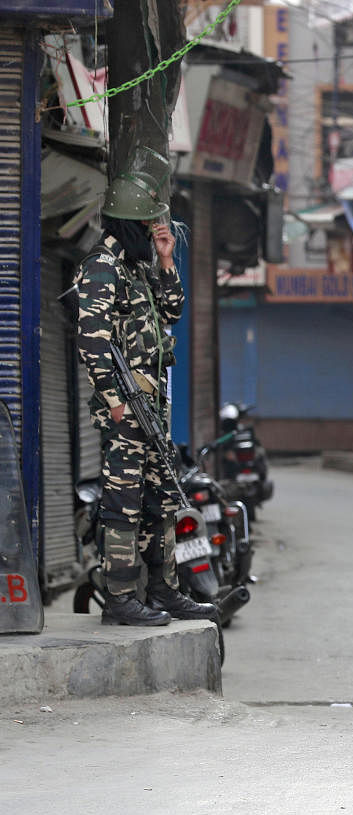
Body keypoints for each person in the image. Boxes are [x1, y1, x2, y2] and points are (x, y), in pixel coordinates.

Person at [73, 147, 217, 627]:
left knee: (161, 498)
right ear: (129, 225)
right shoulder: (101, 269)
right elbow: (92, 344)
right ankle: (118, 598)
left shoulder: (135, 270)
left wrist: (166, 260)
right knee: (123, 501)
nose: (159, 231)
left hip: (151, 406)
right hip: (125, 410)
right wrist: (115, 401)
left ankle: (164, 588)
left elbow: (171, 310)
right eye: (151, 226)